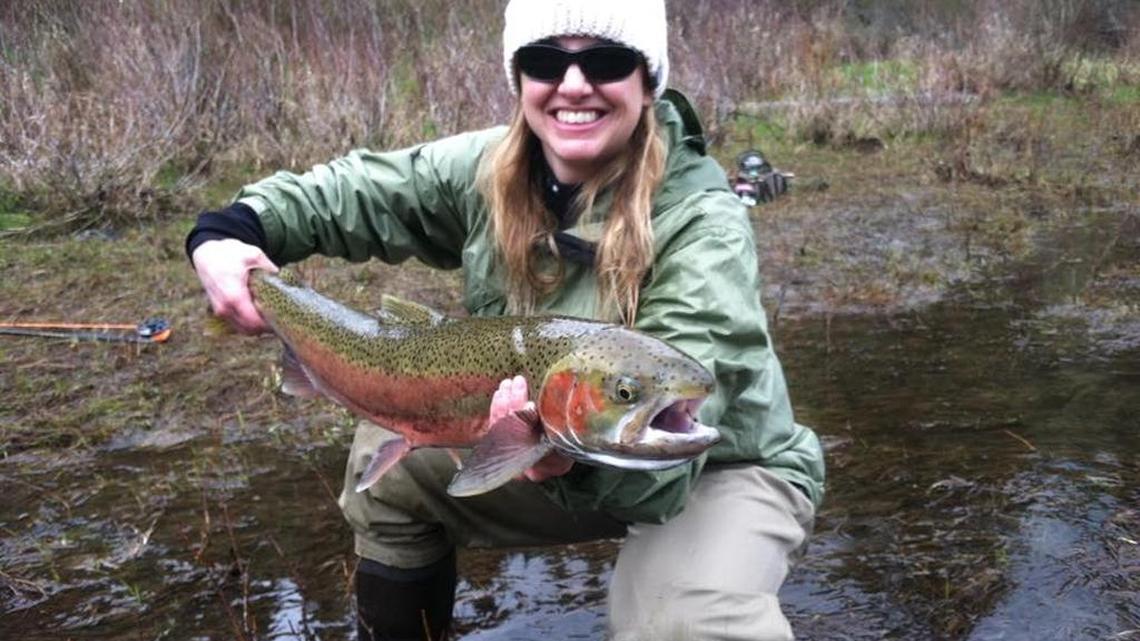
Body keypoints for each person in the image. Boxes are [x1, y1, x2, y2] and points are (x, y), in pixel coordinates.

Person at [186, 0, 825, 639]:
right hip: (565, 439)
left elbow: (672, 445)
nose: (574, 86)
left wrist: (557, 461)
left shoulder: (706, 223)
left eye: (606, 60)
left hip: (718, 466)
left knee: (683, 622)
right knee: (387, 472)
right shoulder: (489, 168)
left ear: (646, 79)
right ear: (520, 78)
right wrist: (226, 233)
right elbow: (353, 192)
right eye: (546, 61)